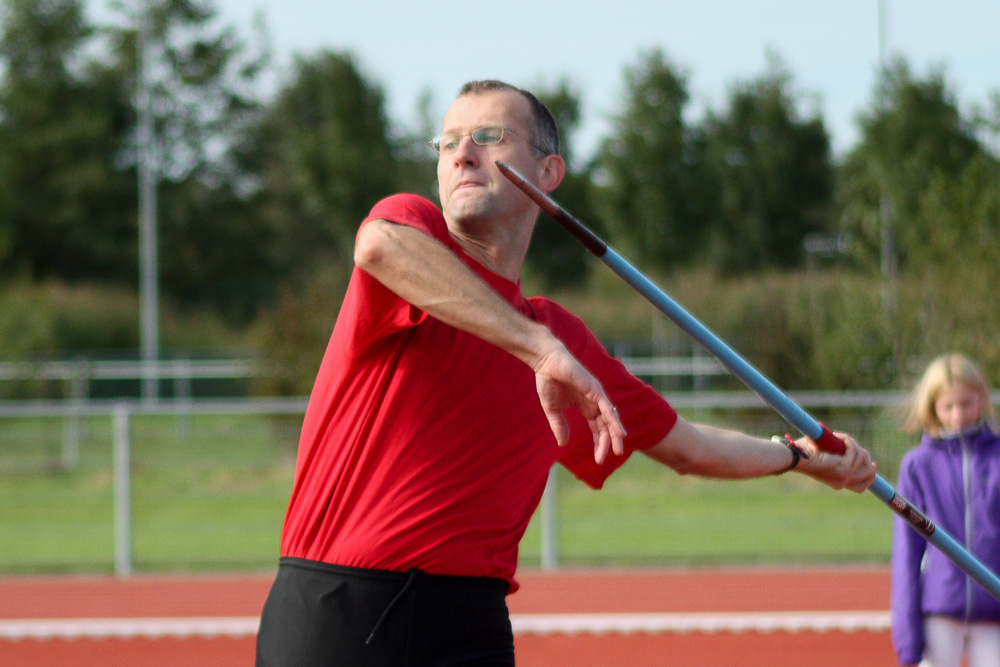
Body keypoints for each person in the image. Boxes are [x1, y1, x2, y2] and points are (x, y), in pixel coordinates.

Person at [255, 79, 877, 667]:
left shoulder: (564, 340)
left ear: (548, 174)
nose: (463, 154)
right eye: (448, 143)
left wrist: (796, 457)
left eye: (490, 137)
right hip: (344, 611)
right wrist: (538, 351)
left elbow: (689, 447)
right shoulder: (411, 235)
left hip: (471, 620)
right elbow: (379, 248)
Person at [891, 353, 1000, 667]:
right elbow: (906, 552)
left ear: (982, 399)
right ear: (932, 408)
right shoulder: (918, 466)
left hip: (993, 610)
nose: (957, 416)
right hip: (939, 610)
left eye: (967, 404)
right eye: (948, 406)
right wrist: (908, 641)